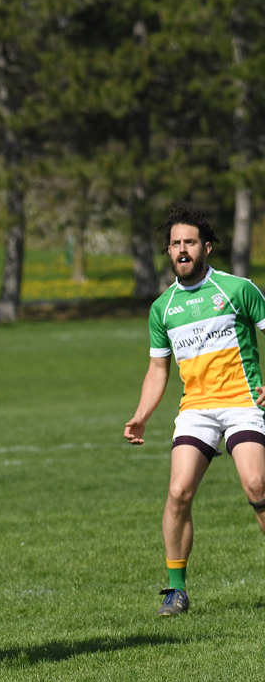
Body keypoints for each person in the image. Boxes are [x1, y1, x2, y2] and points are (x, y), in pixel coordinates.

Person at [124, 205, 265, 617]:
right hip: (197, 409)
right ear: (167, 252)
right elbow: (157, 370)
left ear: (205, 247)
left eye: (189, 242)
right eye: (174, 244)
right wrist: (141, 414)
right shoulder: (162, 309)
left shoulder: (237, 290)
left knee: (257, 484)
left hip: (243, 403)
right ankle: (176, 589)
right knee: (178, 492)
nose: (181, 250)